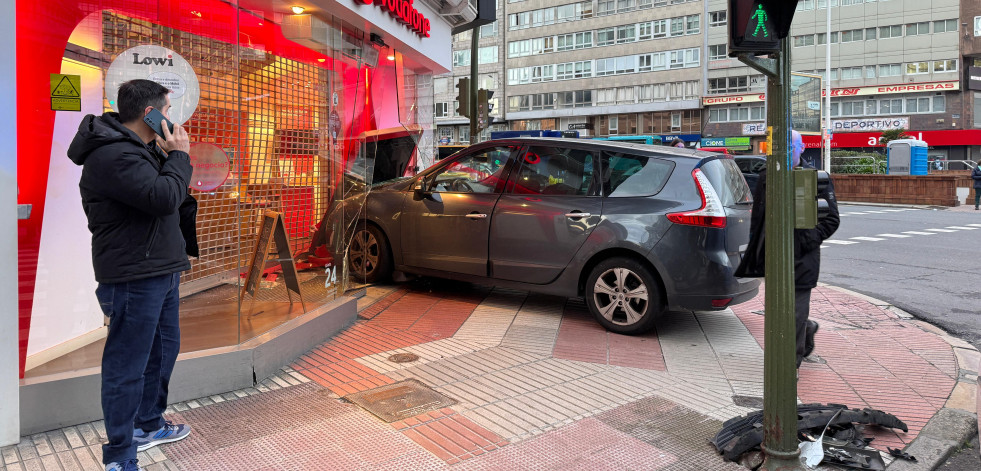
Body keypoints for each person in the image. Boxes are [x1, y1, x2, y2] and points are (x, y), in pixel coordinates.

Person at [67, 79, 195, 471]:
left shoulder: (140, 150)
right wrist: (179, 156)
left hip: (160, 269)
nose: (171, 120)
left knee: (161, 354)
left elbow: (168, 196)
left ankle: (148, 424)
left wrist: (168, 157)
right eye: (168, 111)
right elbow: (162, 198)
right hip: (133, 277)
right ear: (149, 114)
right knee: (127, 366)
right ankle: (120, 454)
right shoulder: (113, 155)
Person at [735, 130, 840, 370]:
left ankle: (788, 368)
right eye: (776, 147)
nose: (781, 153)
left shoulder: (816, 177)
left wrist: (805, 241)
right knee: (780, 314)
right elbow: (760, 219)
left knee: (793, 316)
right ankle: (806, 329)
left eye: (788, 146)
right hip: (774, 258)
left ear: (802, 148)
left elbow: (832, 220)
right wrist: (757, 251)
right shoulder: (766, 176)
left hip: (802, 260)